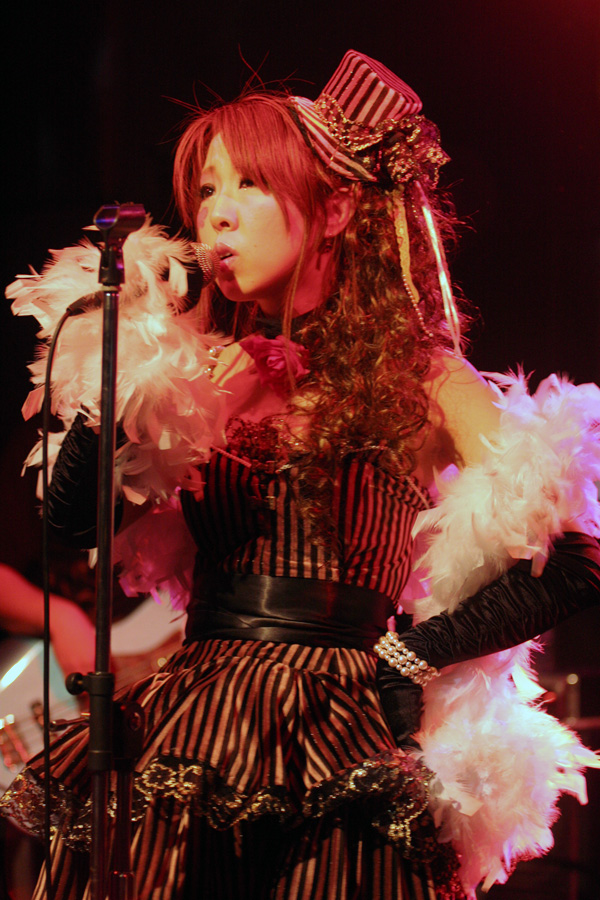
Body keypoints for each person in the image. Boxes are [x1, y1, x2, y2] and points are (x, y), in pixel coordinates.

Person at [1, 50, 600, 900]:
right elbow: (71, 522)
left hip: (342, 727)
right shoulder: (199, 374)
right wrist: (132, 369)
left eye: (248, 185)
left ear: (335, 210)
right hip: (198, 721)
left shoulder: (425, 381)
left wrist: (414, 654)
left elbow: (575, 560)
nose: (216, 214)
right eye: (205, 190)